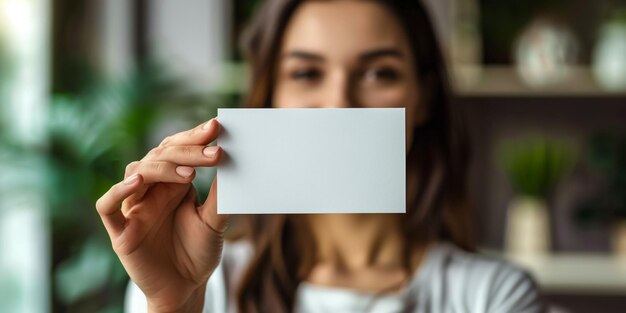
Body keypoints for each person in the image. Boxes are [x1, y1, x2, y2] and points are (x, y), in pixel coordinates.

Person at [96, 0, 547, 312]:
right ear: (270, 95)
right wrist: (173, 307)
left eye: (378, 72)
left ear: (423, 98)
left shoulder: (493, 296)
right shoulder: (190, 279)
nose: (339, 102)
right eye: (307, 72)